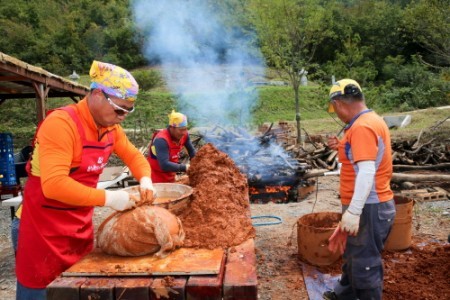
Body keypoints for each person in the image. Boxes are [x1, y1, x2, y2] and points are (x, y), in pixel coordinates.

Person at [15, 60, 156, 300]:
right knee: (41, 293)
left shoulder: (110, 128)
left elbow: (134, 157)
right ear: (98, 95)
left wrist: (146, 180)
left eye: (128, 111)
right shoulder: (62, 124)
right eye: (120, 109)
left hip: (78, 227)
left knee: (76, 290)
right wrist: (110, 198)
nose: (122, 117)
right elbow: (54, 185)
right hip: (42, 231)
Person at [323, 79, 396, 300]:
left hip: (368, 206)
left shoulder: (362, 127)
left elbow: (366, 171)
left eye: (334, 109)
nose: (336, 114)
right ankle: (344, 294)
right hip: (366, 203)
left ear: (338, 104)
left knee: (364, 264)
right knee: (353, 253)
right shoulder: (367, 121)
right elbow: (361, 154)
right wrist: (342, 146)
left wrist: (354, 212)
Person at [147, 110, 196, 183]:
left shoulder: (184, 135)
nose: (183, 133)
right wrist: (185, 167)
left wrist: (197, 163)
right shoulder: (161, 140)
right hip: (156, 177)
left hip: (171, 174)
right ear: (171, 127)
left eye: (185, 129)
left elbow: (192, 152)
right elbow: (164, 165)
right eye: (181, 130)